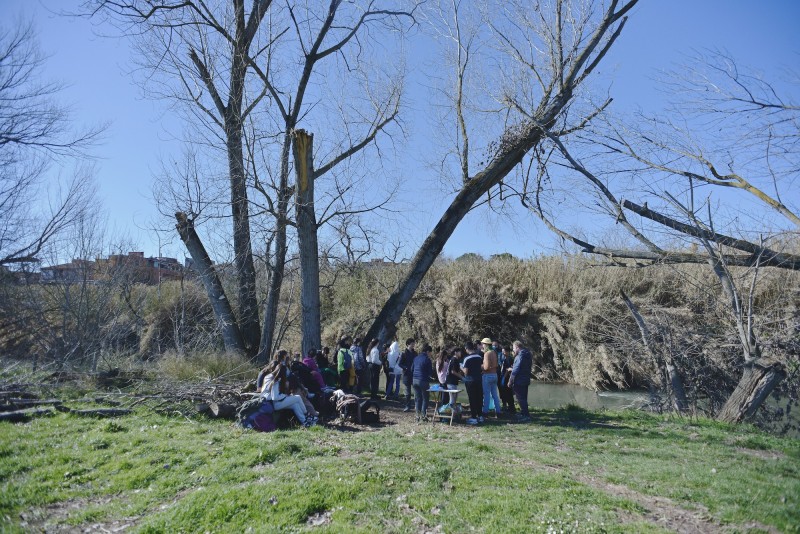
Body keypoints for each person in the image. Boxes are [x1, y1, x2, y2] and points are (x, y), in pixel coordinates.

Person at [261, 361, 315, 427]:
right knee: (297, 397)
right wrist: (285, 395)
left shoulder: (273, 378)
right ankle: (307, 414)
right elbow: (275, 397)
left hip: (276, 402)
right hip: (276, 403)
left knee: (295, 405)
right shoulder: (275, 382)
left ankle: (304, 421)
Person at [461, 341, 484, 425]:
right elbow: (482, 368)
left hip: (470, 380)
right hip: (479, 379)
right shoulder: (479, 356)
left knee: (472, 398)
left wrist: (461, 367)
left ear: (466, 349)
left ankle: (474, 417)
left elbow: (466, 372)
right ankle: (480, 416)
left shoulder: (466, 358)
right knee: (479, 398)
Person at [509, 340, 533, 422]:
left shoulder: (519, 357)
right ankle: (523, 413)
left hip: (519, 380)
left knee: (520, 398)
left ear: (517, 347)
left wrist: (510, 381)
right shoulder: (528, 354)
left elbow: (515, 370)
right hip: (526, 379)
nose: (513, 350)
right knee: (524, 397)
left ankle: (526, 416)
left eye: (513, 348)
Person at [481, 337, 502, 418]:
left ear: (486, 345)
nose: (482, 345)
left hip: (487, 376)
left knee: (486, 395)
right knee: (495, 395)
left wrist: (481, 366)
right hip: (495, 375)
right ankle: (498, 412)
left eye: (483, 344)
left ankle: (485, 412)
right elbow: (496, 365)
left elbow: (486, 367)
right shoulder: (494, 352)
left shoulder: (487, 354)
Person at [412, 343, 433, 422]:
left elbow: (412, 369)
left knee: (418, 398)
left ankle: (417, 416)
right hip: (423, 380)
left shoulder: (416, 358)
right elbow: (430, 372)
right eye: (431, 352)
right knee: (425, 398)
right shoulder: (427, 359)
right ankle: (423, 416)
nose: (431, 354)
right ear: (428, 351)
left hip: (414, 380)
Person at [399, 338, 417, 412]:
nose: (413, 345)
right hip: (406, 375)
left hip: (414, 374)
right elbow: (400, 364)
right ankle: (407, 406)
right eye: (412, 344)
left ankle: (417, 406)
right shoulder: (403, 353)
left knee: (416, 391)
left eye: (414, 344)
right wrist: (405, 368)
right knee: (408, 392)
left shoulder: (415, 353)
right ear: (408, 344)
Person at [499, 345, 516, 414]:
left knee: (508, 393)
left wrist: (504, 379)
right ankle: (509, 407)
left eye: (504, 352)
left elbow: (508, 370)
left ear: (508, 352)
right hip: (503, 376)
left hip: (506, 378)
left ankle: (511, 408)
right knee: (506, 393)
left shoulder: (509, 359)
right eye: (502, 352)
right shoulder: (504, 358)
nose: (503, 353)